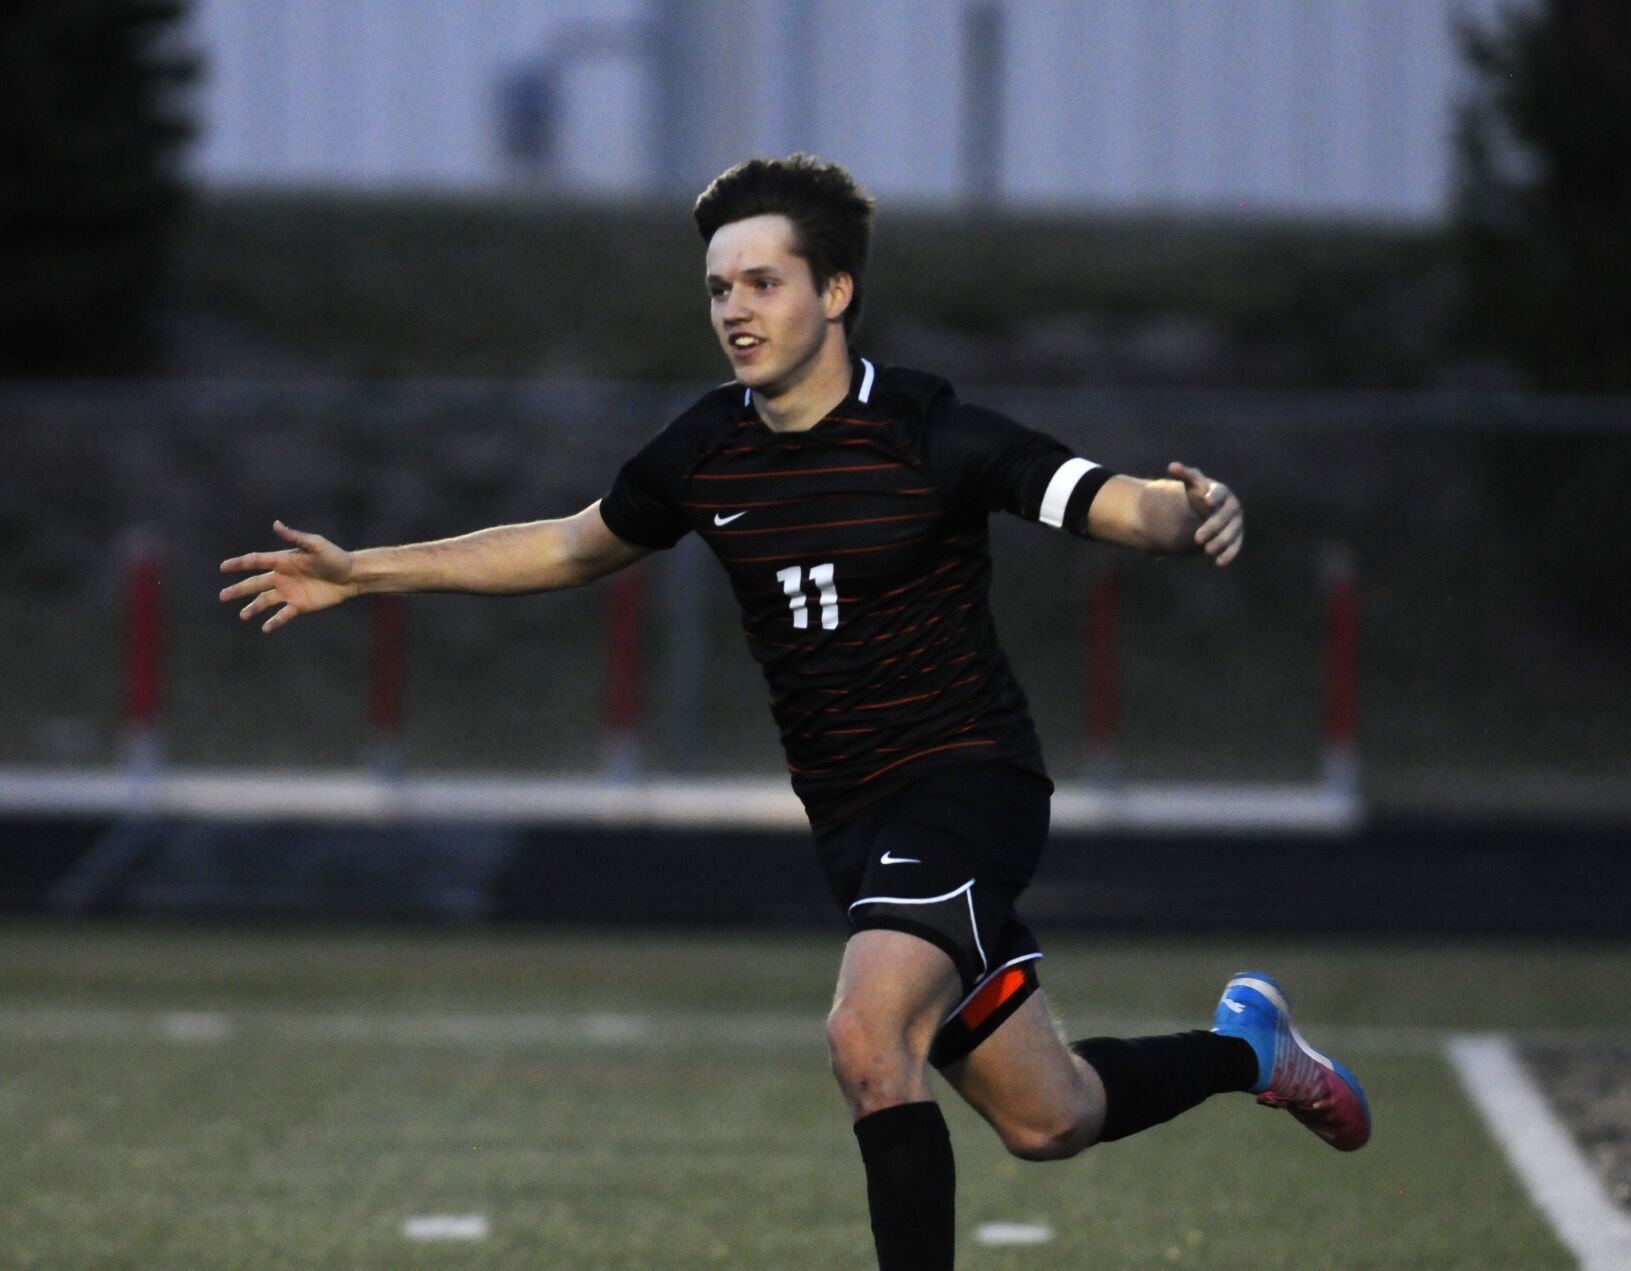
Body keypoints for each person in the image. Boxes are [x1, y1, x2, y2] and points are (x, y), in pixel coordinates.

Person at [219, 153, 1369, 1269]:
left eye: (761, 281)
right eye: (718, 286)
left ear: (834, 291)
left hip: (967, 784)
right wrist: (365, 571)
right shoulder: (704, 449)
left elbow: (1110, 504)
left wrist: (1192, 509)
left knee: (866, 1038)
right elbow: (571, 546)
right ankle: (1245, 1051)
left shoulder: (931, 433)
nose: (733, 308)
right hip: (854, 822)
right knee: (1048, 1114)